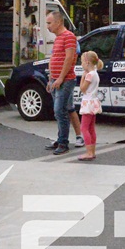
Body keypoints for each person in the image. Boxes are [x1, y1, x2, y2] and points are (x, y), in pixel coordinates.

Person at [45, 10, 77, 155]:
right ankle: (60, 139)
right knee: (59, 111)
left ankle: (63, 142)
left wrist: (60, 78)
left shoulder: (69, 36)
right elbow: (54, 58)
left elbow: (69, 58)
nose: (47, 26)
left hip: (65, 80)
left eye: (49, 23)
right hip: (56, 79)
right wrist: (51, 78)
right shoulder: (58, 38)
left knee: (60, 110)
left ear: (58, 22)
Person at [77, 51, 103, 161]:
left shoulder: (89, 75)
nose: (81, 64)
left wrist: (83, 77)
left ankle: (88, 152)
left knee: (84, 128)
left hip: (88, 103)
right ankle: (92, 151)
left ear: (87, 62)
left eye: (82, 62)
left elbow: (82, 89)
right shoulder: (95, 73)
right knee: (91, 128)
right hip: (94, 101)